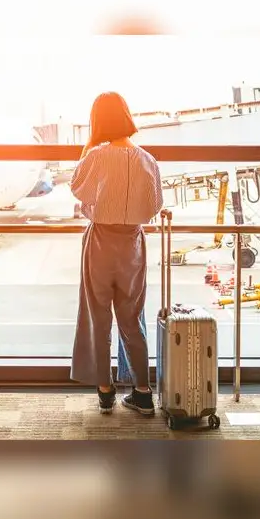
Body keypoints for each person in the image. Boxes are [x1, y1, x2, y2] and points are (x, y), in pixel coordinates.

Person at [70, 91, 163, 415]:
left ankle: (105, 390)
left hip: (100, 243)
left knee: (99, 317)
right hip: (132, 245)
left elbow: (78, 188)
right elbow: (154, 206)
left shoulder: (96, 156)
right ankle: (142, 390)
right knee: (131, 318)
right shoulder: (146, 160)